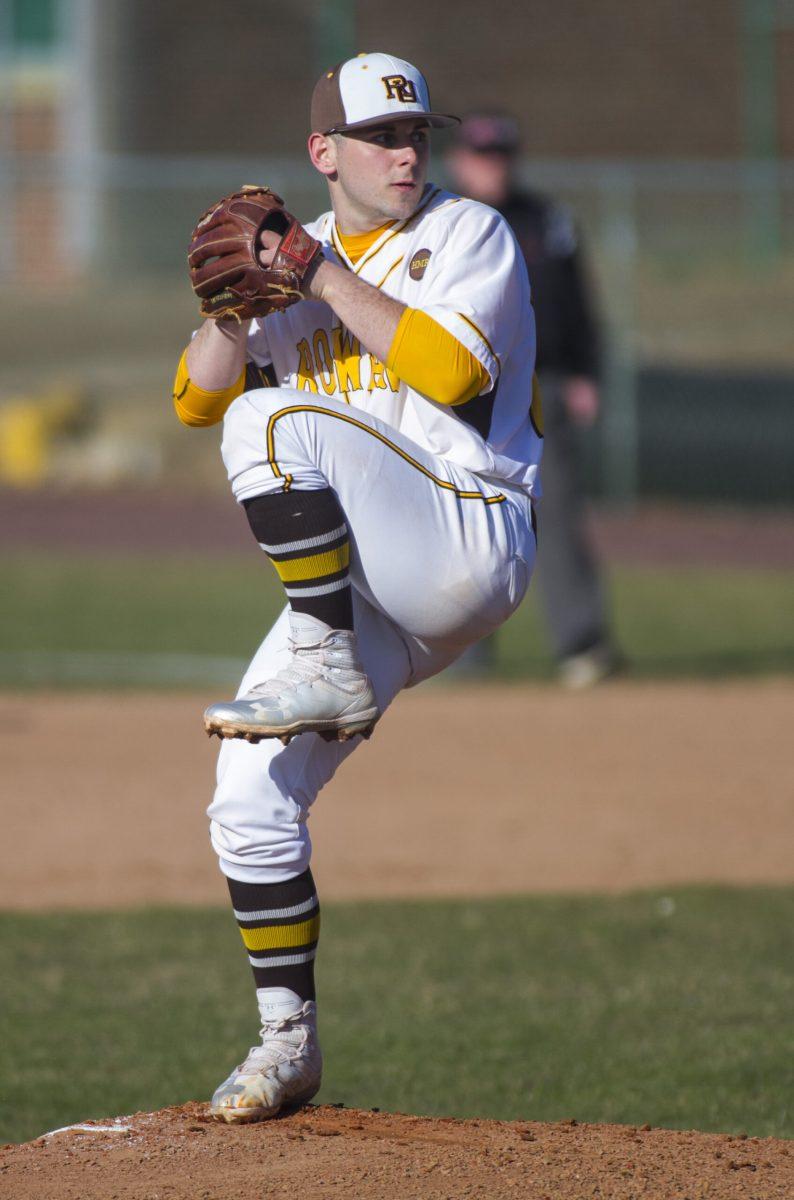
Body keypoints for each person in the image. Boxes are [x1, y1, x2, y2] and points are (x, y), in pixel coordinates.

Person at [173, 54, 541, 1123]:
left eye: (416, 133)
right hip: (373, 588)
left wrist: (318, 277)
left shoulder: (468, 233)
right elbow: (195, 401)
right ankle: (286, 1045)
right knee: (246, 799)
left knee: (267, 419)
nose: (405, 152)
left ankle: (320, 652)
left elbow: (449, 374)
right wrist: (230, 310)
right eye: (381, 136)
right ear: (321, 154)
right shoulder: (295, 262)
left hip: (468, 531)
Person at [447, 113, 621, 688]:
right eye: (482, 155)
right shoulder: (440, 223)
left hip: (541, 381)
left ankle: (582, 643)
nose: (492, 165)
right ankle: (460, 649)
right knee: (463, 511)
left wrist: (585, 372)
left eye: (501, 155)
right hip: (463, 384)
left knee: (558, 512)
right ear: (460, 161)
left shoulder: (548, 221)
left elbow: (577, 304)